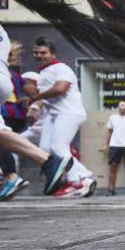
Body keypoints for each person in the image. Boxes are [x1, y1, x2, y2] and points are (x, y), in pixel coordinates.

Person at [0, 21, 72, 196]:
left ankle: (46, 162)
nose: (38, 55)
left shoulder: (60, 70)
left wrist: (35, 100)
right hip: (2, 78)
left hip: (56, 116)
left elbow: (55, 89)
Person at [32, 37, 97, 198]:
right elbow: (46, 98)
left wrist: (37, 97)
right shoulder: (43, 72)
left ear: (52, 54)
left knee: (58, 147)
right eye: (36, 52)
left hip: (69, 113)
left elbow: (60, 89)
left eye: (44, 52)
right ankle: (84, 175)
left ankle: (76, 182)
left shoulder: (61, 68)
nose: (39, 55)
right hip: (54, 115)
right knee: (45, 149)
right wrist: (35, 105)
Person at [0, 42, 28, 201]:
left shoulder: (1, 71)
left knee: (0, 143)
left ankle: (11, 177)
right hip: (16, 114)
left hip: (6, 112)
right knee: (2, 145)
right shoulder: (13, 73)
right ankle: (8, 178)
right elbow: (28, 90)